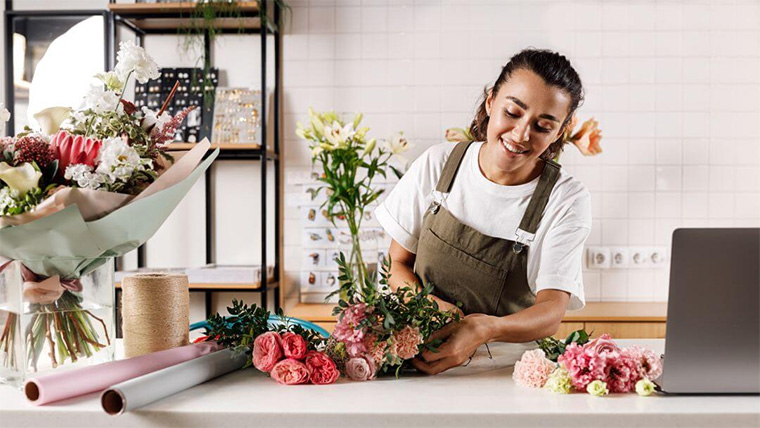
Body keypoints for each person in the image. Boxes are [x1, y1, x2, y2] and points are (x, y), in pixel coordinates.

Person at [374, 49, 592, 375]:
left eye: (543, 126)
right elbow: (397, 264)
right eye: (512, 112)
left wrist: (483, 329)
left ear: (560, 131)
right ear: (491, 101)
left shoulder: (565, 198)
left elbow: (551, 311)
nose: (521, 135)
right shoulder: (440, 164)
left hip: (499, 369)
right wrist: (433, 310)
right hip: (412, 353)